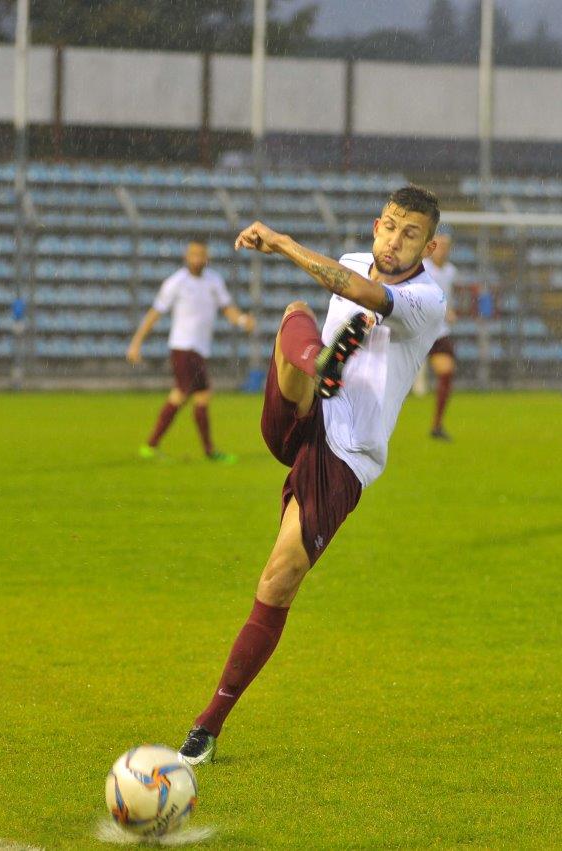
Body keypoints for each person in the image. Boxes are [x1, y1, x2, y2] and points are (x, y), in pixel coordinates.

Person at [176, 186, 446, 765]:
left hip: (346, 452)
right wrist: (321, 365)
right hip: (302, 412)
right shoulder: (351, 259)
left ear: (429, 246)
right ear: (376, 225)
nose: (395, 240)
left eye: (411, 234)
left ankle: (208, 725)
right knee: (295, 314)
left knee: (278, 580)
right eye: (390, 226)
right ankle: (319, 363)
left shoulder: (427, 298)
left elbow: (358, 291)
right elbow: (346, 280)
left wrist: (280, 242)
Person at [127, 240, 256, 463]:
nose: (197, 258)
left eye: (201, 254)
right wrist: (136, 342)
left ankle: (156, 445)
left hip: (199, 349)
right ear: (186, 257)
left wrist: (243, 320)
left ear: (207, 257)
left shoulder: (214, 280)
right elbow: (155, 313)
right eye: (193, 254)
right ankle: (202, 450)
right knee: (192, 394)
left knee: (190, 395)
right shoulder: (176, 282)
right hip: (183, 347)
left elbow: (228, 309)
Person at [422, 233, 459, 440]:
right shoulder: (422, 268)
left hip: (439, 332)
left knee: (446, 372)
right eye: (439, 246)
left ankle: (437, 425)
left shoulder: (451, 271)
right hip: (418, 331)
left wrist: (449, 310)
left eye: (446, 246)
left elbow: (447, 297)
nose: (443, 250)